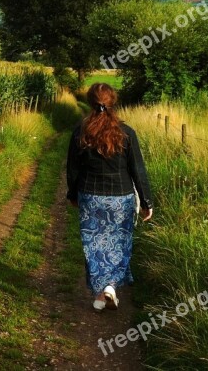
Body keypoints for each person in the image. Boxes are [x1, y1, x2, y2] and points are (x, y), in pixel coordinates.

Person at [66, 82, 153, 312]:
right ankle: (110, 287)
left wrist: (72, 194)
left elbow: (73, 168)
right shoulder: (127, 133)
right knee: (119, 243)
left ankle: (103, 290)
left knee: (94, 243)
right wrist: (147, 201)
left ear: (89, 102)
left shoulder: (80, 132)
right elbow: (138, 170)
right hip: (121, 197)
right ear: (113, 102)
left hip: (90, 195)